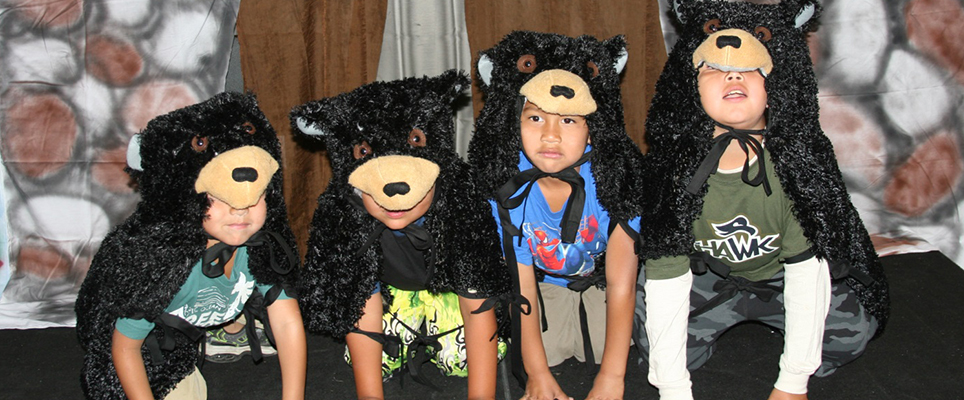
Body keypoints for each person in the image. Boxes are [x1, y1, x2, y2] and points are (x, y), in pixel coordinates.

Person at [635, 8, 886, 399]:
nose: (733, 75)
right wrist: (673, 389)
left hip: (781, 276)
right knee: (656, 352)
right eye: (714, 69)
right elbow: (666, 274)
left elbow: (807, 271)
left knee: (852, 338)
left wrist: (792, 382)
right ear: (689, 87)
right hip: (709, 278)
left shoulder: (794, 164)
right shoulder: (671, 171)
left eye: (750, 70)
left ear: (776, 85)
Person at [290, 71, 511, 400]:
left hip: (447, 291)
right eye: (363, 153)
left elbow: (478, 300)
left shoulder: (460, 200)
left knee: (460, 358)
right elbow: (357, 297)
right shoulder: (343, 213)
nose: (393, 193)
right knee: (373, 359)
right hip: (392, 295)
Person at [75, 92, 305, 400]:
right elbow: (125, 347)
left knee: (266, 284)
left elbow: (288, 322)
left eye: (255, 197)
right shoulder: (159, 263)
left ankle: (228, 323)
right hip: (155, 334)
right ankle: (200, 326)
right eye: (219, 198)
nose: (240, 212)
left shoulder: (262, 242)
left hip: (212, 299)